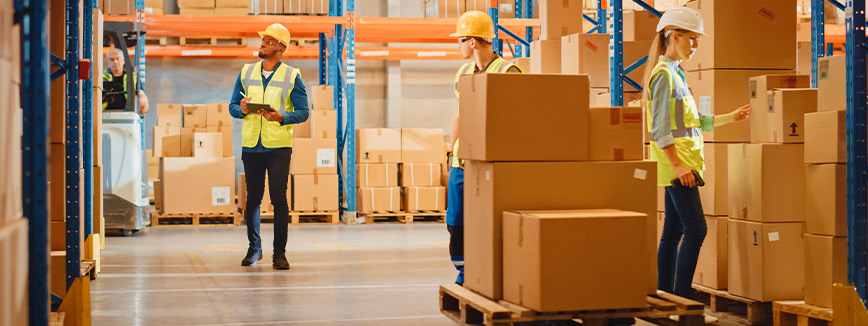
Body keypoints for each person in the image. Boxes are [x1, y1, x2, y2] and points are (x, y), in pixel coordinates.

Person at [644, 7, 749, 320]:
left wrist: (729, 118)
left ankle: (664, 300)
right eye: (692, 39)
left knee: (673, 233)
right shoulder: (663, 76)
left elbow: (691, 122)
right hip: (679, 167)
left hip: (681, 166)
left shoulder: (676, 73)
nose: (696, 46)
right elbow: (660, 129)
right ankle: (681, 303)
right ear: (674, 37)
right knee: (696, 229)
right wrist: (678, 166)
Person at [445, 11, 522, 286]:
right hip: (461, 161)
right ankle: (465, 272)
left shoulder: (508, 71)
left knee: (490, 220)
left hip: (492, 163)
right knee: (455, 221)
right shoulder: (463, 73)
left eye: (461, 40)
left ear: (474, 42)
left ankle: (488, 273)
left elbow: (515, 120)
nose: (458, 45)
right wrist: (449, 148)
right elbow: (459, 113)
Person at [228, 23, 309, 270]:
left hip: (278, 147)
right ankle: (254, 250)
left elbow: (304, 112)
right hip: (251, 145)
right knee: (253, 199)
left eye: (269, 41)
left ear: (281, 48)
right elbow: (232, 106)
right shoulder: (246, 72)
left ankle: (279, 254)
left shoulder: (292, 75)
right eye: (263, 40)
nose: (263, 43)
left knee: (279, 200)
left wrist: (281, 117)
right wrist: (241, 108)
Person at [103, 48, 149, 116]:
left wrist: (143, 97)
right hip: (105, 115)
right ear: (108, 62)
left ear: (123, 61)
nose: (115, 62)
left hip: (128, 115)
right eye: (112, 60)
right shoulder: (101, 77)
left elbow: (140, 92)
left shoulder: (133, 77)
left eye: (117, 59)